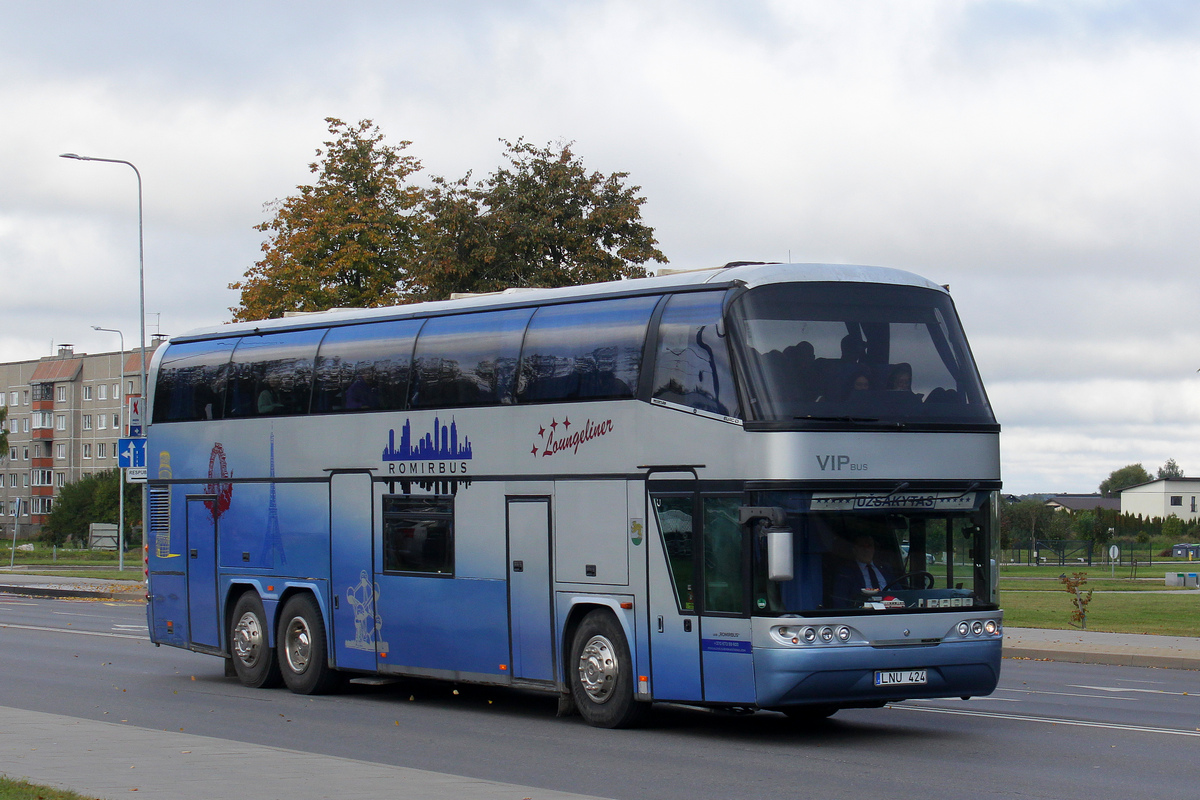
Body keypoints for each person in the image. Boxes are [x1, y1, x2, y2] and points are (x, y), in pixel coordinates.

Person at [831, 533, 894, 607]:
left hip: (891, 611)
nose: (866, 550)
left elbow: (900, 593)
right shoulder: (846, 573)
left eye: (869, 546)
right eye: (862, 546)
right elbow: (840, 602)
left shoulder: (885, 569)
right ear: (854, 549)